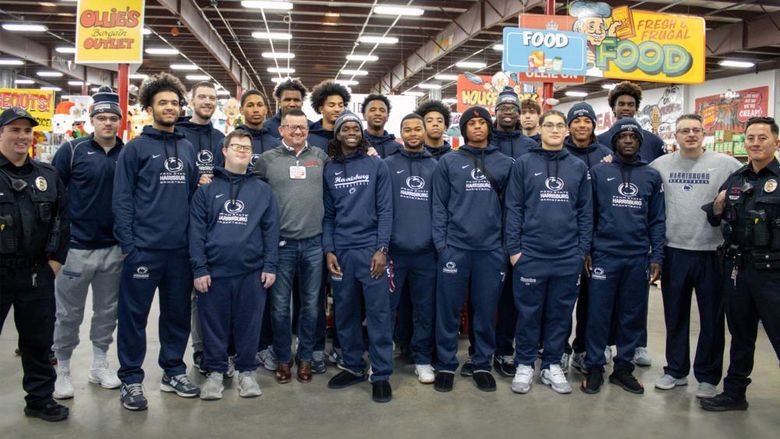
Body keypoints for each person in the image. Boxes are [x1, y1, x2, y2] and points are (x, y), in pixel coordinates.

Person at [113, 73, 200, 411]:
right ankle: (131, 379)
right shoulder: (135, 149)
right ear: (149, 107)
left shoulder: (187, 146)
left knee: (176, 314)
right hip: (144, 250)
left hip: (180, 251)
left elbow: (194, 196)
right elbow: (122, 199)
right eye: (163, 102)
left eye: (175, 103)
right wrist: (130, 246)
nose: (170, 107)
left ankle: (173, 371)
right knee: (134, 316)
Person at [650, 114, 741, 398]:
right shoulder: (659, 166)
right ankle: (675, 370)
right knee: (674, 315)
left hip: (712, 253)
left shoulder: (727, 164)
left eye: (695, 130)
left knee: (712, 319)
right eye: (684, 131)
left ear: (704, 133)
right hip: (674, 251)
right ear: (674, 136)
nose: (690, 135)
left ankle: (707, 376)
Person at [506, 110, 592, 395]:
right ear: (540, 130)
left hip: (567, 256)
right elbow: (514, 208)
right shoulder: (524, 163)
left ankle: (552, 364)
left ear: (567, 131)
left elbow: (585, 212)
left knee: (561, 313)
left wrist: (580, 251)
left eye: (559, 126)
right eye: (549, 125)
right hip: (530, 255)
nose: (555, 130)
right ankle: (526, 363)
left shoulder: (578, 167)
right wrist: (515, 250)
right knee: (528, 313)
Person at [189, 129, 278, 400]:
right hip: (214, 273)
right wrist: (199, 268)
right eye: (236, 146)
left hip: (251, 271)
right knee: (213, 325)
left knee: (249, 323)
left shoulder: (263, 191)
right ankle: (216, 373)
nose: (242, 150)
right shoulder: (207, 190)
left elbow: (271, 230)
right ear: (224, 151)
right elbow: (196, 232)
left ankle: (247, 372)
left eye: (246, 147)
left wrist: (270, 265)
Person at [580, 118, 665, 395]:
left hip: (637, 257)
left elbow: (657, 220)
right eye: (623, 136)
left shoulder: (651, 176)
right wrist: (588, 250)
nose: (628, 140)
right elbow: (588, 215)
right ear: (614, 141)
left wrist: (657, 256)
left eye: (633, 137)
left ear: (640, 142)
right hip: (605, 256)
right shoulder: (599, 172)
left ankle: (623, 368)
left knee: (632, 315)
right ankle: (594, 366)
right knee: (598, 314)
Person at [700, 116, 780, 412]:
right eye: (751, 138)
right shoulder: (737, 178)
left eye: (762, 138)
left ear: (776, 142)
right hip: (737, 269)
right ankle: (734, 393)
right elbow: (714, 215)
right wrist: (718, 205)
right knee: (741, 335)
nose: (756, 143)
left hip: (773, 273)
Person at [431, 106, 513, 393]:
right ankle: (445, 364)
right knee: (448, 310)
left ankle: (481, 363)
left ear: (489, 128)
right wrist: (442, 244)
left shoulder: (505, 163)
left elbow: (512, 209)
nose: (477, 127)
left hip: (491, 250)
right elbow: (439, 205)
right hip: (455, 248)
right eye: (471, 123)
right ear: (463, 129)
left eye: (482, 123)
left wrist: (505, 247)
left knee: (486, 310)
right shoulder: (449, 162)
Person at [50, 87, 124, 400]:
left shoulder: (127, 153)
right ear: (91, 120)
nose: (107, 123)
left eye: (112, 118)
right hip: (75, 249)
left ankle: (99, 363)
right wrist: (54, 246)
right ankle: (63, 369)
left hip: (114, 248)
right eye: (102, 118)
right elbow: (51, 196)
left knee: (107, 311)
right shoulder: (72, 151)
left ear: (120, 122)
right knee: (68, 314)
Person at [0, 107, 69, 422]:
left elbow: (63, 220)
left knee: (38, 341)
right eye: (14, 130)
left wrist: (55, 261)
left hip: (36, 273)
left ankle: (40, 400)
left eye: (26, 131)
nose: (22, 136)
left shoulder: (47, 175)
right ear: (1, 133)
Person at [322, 111, 394, 403]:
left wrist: (382, 249)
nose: (351, 132)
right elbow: (327, 215)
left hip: (371, 250)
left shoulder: (377, 165)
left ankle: (381, 373)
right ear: (338, 135)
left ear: (361, 134)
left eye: (356, 128)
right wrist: (329, 249)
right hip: (342, 252)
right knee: (345, 312)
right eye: (345, 128)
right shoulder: (329, 169)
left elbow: (386, 210)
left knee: (378, 314)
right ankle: (352, 365)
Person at [254, 109, 330, 383]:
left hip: (314, 244)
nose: (298, 132)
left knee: (311, 305)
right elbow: (255, 198)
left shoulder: (320, 158)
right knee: (280, 307)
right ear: (281, 130)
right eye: (292, 127)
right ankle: (284, 358)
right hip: (281, 245)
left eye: (303, 127)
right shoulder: (267, 161)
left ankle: (306, 358)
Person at [175, 81, 226, 373]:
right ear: (191, 101)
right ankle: (174, 358)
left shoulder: (220, 138)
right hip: (178, 224)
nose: (207, 101)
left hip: (211, 225)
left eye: (212, 97)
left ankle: (202, 350)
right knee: (179, 296)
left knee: (203, 291)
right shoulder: (178, 134)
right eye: (202, 97)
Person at [384, 113, 438, 384]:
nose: (414, 133)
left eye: (418, 128)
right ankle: (382, 360)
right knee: (387, 308)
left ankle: (422, 358)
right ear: (401, 133)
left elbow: (441, 209)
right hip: (394, 252)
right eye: (408, 129)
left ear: (426, 131)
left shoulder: (436, 166)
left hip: (427, 253)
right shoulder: (387, 165)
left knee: (424, 309)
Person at [563, 102, 613, 373]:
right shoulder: (560, 152)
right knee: (563, 299)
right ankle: (560, 347)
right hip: (568, 238)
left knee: (591, 301)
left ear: (594, 125)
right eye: (576, 120)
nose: (582, 125)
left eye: (587, 120)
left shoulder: (607, 154)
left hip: (601, 239)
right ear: (569, 125)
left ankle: (583, 349)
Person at [597, 81, 666, 164]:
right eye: (621, 104)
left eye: (630, 104)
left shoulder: (654, 142)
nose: (626, 108)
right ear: (613, 108)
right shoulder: (599, 141)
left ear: (636, 109)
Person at [232, 90, 278, 168]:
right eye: (250, 105)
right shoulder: (229, 143)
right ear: (241, 110)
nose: (256, 110)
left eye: (260, 105)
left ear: (266, 110)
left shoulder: (276, 145)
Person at [491, 87, 537, 159]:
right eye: (503, 108)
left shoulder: (530, 145)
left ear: (518, 114)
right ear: (495, 112)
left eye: (513, 109)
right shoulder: (486, 142)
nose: (508, 112)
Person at [308, 80, 350, 150]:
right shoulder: (308, 133)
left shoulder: (350, 134)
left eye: (340, 105)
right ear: (321, 108)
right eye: (331, 105)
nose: (337, 109)